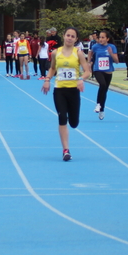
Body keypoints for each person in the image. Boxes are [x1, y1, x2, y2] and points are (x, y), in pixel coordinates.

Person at [41, 27, 92, 161]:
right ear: (63, 36)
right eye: (68, 35)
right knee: (62, 117)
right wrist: (47, 80)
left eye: (72, 36)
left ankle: (71, 118)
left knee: (74, 123)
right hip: (59, 90)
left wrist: (81, 79)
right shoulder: (55, 53)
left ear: (76, 39)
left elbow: (87, 71)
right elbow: (52, 68)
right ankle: (66, 150)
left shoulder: (78, 53)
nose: (69, 38)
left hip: (73, 91)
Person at [88, 30, 118, 120]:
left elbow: (116, 61)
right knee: (102, 84)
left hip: (108, 71)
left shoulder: (112, 47)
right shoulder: (95, 46)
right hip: (98, 70)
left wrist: (111, 54)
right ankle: (98, 104)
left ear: (107, 39)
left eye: (103, 37)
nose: (100, 39)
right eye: (99, 37)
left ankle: (102, 109)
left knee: (104, 90)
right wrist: (89, 63)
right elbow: (90, 53)